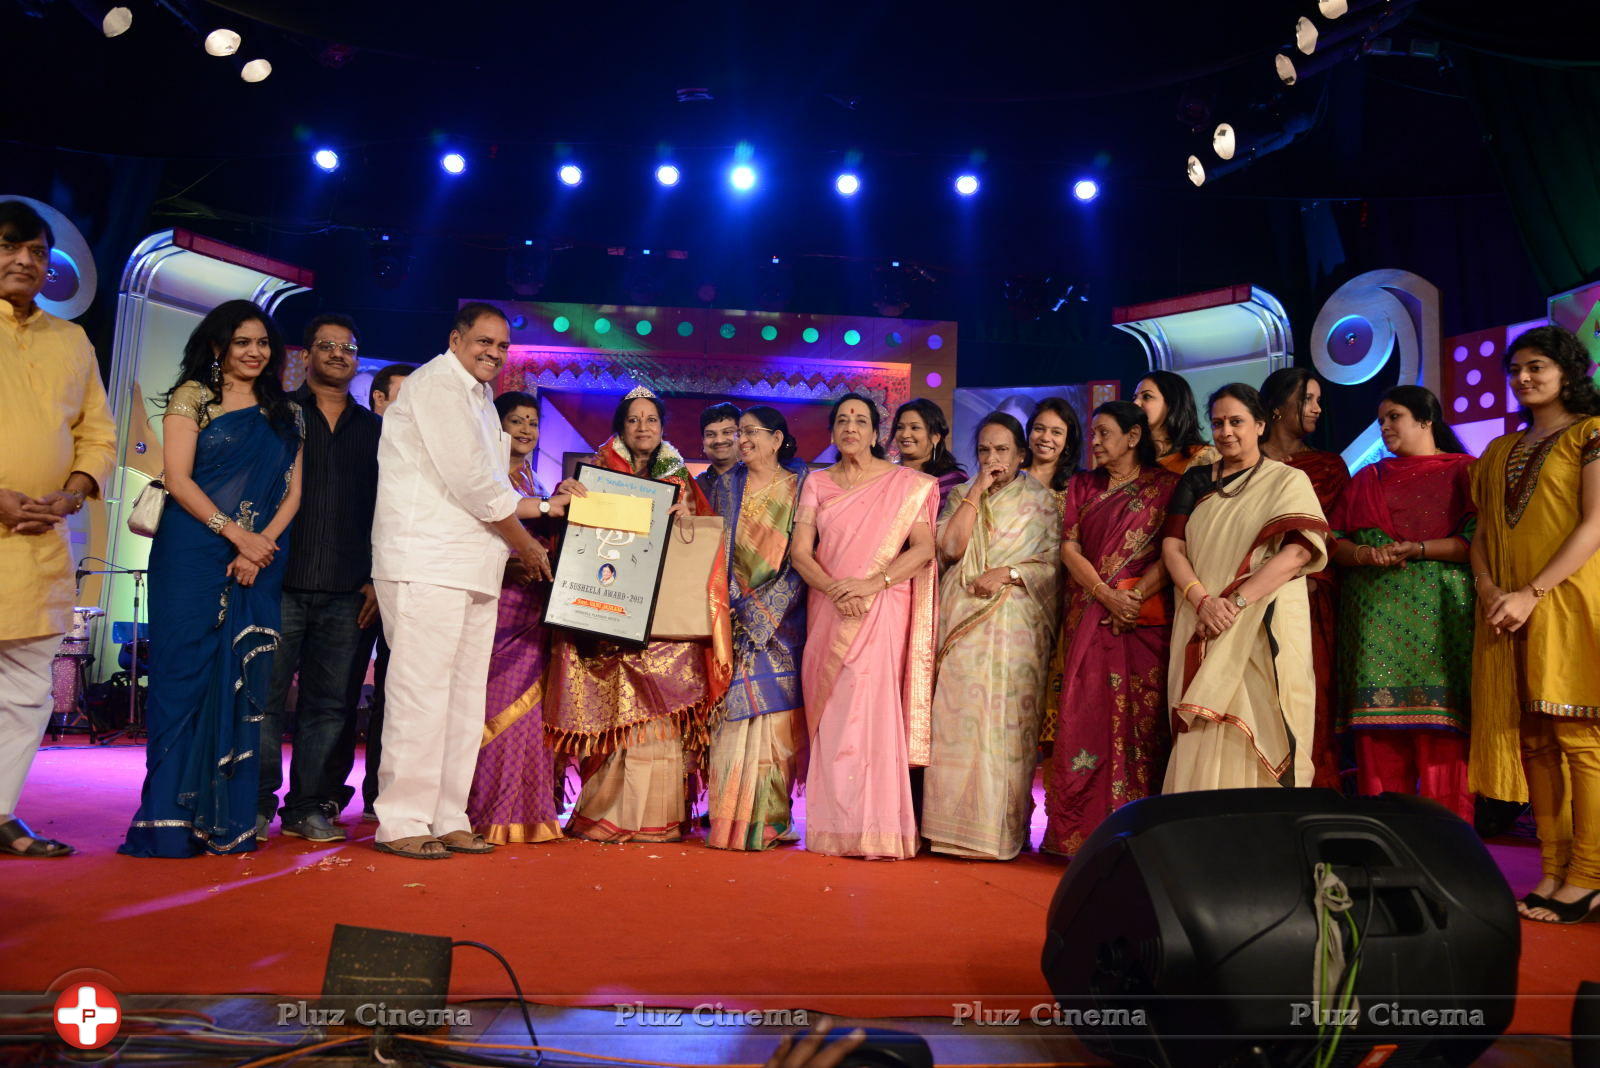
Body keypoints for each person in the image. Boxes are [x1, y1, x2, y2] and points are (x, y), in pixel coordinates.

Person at [368, 302, 554, 860]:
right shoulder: (436, 387)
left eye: (501, 347)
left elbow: (491, 485)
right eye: (483, 342)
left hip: (474, 564)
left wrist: (543, 506)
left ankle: (448, 815)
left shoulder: (477, 399)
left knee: (463, 698)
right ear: (456, 338)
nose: (493, 354)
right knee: (420, 693)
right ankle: (401, 819)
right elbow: (475, 485)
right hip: (426, 558)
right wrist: (526, 540)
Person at [120, 300, 305, 857]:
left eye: (263, 343)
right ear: (219, 346)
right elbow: (176, 478)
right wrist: (235, 534)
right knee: (182, 679)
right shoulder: (193, 397)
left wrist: (258, 545)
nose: (254, 352)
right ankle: (168, 822)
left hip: (260, 559)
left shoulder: (285, 412)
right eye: (242, 342)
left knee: (244, 683)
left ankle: (225, 820)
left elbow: (293, 493)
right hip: (193, 552)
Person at [545, 386, 732, 842]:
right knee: (611, 714)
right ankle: (605, 814)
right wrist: (566, 494)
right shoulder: (596, 473)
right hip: (610, 618)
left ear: (662, 428)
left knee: (662, 717)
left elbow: (704, 545)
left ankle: (657, 819)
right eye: (634, 420)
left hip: (666, 617)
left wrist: (686, 513)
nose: (643, 427)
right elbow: (568, 536)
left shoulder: (680, 478)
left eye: (652, 420)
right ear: (620, 427)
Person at [1469, 326, 1600, 924]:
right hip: (1508, 606)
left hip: (1569, 599)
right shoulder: (1498, 451)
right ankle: (1553, 869)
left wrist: (1532, 591)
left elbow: (1595, 525)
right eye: (1516, 368)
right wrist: (1494, 589)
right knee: (1536, 742)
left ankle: (1590, 877)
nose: (1524, 377)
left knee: (1578, 740)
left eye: (1537, 366)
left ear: (1569, 371)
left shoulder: (1591, 434)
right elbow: (1483, 537)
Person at [0, 200, 116, 858]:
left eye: (37, 252)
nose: (25, 260)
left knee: (26, 689)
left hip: (41, 539)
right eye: (10, 246)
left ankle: (0, 812)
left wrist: (74, 494)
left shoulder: (71, 340)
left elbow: (96, 431)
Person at [1159, 383, 1328, 791]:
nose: (1226, 431)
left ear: (1259, 424)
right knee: (1201, 720)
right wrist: (1202, 601)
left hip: (1259, 621)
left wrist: (1232, 605)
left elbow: (1298, 554)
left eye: (1236, 421)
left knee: (1262, 713)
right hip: (1200, 618)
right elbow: (1172, 546)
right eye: (1217, 423)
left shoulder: (1288, 480)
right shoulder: (1197, 480)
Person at [791, 392, 938, 859]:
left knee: (873, 711)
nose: (850, 427)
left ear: (877, 433)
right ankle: (834, 828)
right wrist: (836, 590)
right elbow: (800, 552)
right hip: (830, 606)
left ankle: (878, 829)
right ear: (833, 431)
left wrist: (873, 583)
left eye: (861, 420)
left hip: (880, 608)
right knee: (833, 712)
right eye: (842, 420)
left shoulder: (905, 483)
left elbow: (923, 549)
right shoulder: (816, 482)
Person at [255, 314, 381, 844]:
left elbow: (391, 510)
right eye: (326, 346)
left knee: (331, 707)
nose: (337, 354)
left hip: (350, 589)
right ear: (304, 356)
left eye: (347, 347)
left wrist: (380, 576)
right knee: (262, 699)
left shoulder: (378, 431)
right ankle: (254, 805)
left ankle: (309, 807)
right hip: (278, 580)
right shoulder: (276, 416)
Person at [1328, 386, 1475, 820]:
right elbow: (1332, 542)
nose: (1385, 427)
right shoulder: (1367, 479)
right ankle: (1386, 852)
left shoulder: (1465, 472)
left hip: (1441, 625)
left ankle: (1450, 855)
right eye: (1382, 420)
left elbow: (1478, 542)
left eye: (1394, 417)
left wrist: (1420, 548)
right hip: (1373, 631)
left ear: (1427, 419)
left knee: (1443, 747)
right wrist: (1364, 554)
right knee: (1378, 745)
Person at [922, 412, 1060, 860]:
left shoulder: (1041, 501)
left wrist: (1009, 572)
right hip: (962, 626)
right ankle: (947, 830)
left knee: (1005, 726)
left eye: (1002, 450)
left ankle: (998, 833)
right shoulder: (963, 493)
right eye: (984, 450)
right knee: (955, 722)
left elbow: (1054, 563)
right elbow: (950, 549)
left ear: (1021, 454)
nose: (992, 458)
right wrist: (977, 491)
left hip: (1015, 626)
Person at [1045, 401, 1179, 856]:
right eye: (1094, 434)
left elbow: (1175, 550)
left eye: (1104, 433)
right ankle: (1077, 835)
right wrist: (1106, 594)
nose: (1096, 442)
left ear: (1134, 436)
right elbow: (1069, 549)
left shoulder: (1167, 487)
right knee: (1085, 716)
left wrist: (1134, 596)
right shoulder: (1083, 485)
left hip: (1144, 622)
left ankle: (1139, 838)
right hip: (1090, 613)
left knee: (1143, 723)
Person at [704, 406, 810, 849]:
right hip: (729, 616)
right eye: (736, 433)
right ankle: (729, 818)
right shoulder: (724, 487)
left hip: (783, 621)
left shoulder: (803, 485)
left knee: (775, 721)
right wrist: (730, 600)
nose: (740, 440)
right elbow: (712, 546)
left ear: (777, 438)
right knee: (732, 719)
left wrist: (767, 608)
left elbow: (807, 554)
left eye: (749, 432)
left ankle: (770, 818)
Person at [464, 391, 564, 844]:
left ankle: (522, 812)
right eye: (516, 421)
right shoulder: (488, 475)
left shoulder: (535, 478)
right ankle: (483, 810)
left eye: (532, 422)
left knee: (528, 710)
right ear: (495, 425)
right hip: (495, 603)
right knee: (487, 704)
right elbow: (479, 537)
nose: (525, 430)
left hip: (533, 607)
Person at [1259, 367, 1349, 790]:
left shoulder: (1328, 467)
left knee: (1305, 700)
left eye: (1318, 400)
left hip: (1307, 600)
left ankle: (1310, 798)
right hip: (1241, 597)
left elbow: (1335, 538)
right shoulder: (1243, 463)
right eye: (1307, 399)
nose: (1317, 409)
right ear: (1277, 407)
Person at [335, 362, 414, 822]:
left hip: (403, 586)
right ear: (378, 400)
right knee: (338, 695)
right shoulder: (362, 447)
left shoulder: (421, 454)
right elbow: (355, 522)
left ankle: (379, 795)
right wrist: (369, 579)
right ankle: (323, 793)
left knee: (397, 693)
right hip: (353, 586)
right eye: (399, 398)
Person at [1132, 371, 1218, 474]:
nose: (1135, 403)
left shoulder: (1203, 458)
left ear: (1172, 404)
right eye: (1134, 397)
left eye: (1147, 396)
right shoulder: (1131, 457)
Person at [892, 398, 966, 512]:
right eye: (900, 427)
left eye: (915, 428)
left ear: (935, 437)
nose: (905, 434)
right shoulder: (889, 475)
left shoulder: (952, 481)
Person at [1020, 397, 1081, 506]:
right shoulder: (1012, 477)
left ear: (1067, 441)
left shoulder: (1079, 484)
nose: (1045, 438)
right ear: (1029, 432)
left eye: (1056, 432)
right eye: (1039, 429)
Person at [698, 402, 742, 498]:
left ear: (742, 436)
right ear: (703, 442)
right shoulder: (693, 488)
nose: (719, 440)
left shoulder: (760, 481)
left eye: (727, 432)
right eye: (710, 434)